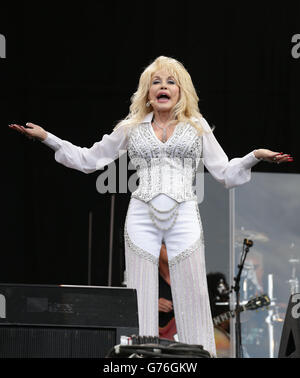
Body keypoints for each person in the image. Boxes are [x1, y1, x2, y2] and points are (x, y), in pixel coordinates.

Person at [9, 56, 293, 356]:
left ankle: (199, 359)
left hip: (184, 212)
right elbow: (88, 160)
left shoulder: (197, 127)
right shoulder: (131, 127)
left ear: (182, 90)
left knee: (193, 294)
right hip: (141, 214)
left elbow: (224, 172)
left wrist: (255, 156)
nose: (163, 86)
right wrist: (46, 138)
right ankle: (140, 359)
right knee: (139, 294)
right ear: (147, 92)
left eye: (171, 82)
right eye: (156, 82)